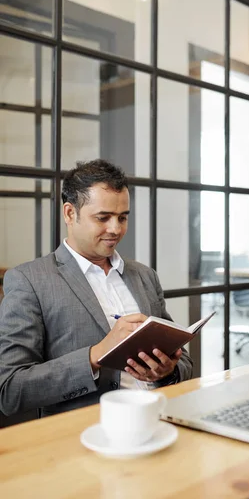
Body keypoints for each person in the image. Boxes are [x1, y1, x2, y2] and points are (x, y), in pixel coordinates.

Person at [0, 159, 193, 418]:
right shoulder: (29, 281)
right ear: (70, 213)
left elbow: (184, 362)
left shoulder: (145, 276)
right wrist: (95, 355)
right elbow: (10, 390)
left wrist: (168, 371)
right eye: (103, 218)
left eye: (122, 217)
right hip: (84, 437)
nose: (115, 229)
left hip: (160, 422)